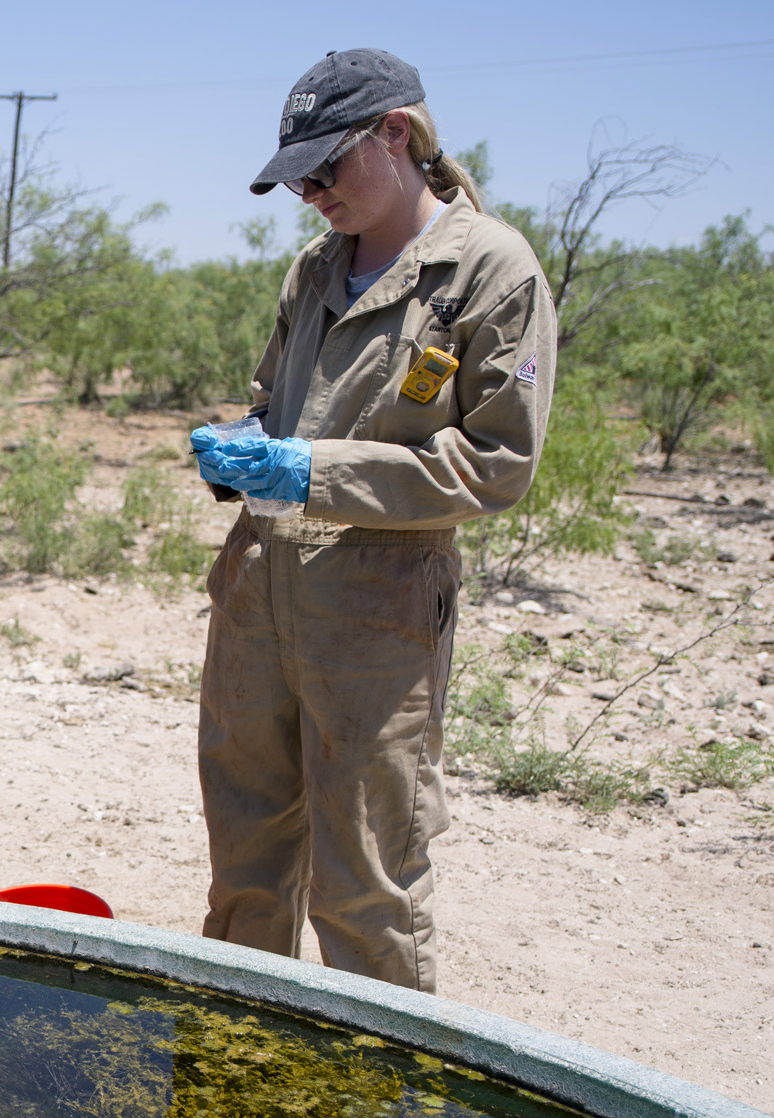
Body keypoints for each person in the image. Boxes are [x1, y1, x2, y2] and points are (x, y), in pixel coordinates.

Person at [188, 48, 554, 994]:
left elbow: (496, 462)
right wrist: (245, 450)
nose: (311, 193)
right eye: (297, 178)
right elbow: (280, 405)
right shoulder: (313, 270)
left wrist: (311, 470)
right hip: (258, 595)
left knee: (365, 886)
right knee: (246, 871)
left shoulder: (489, 272)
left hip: (378, 614)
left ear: (396, 134)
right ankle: (238, 1082)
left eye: (325, 168)